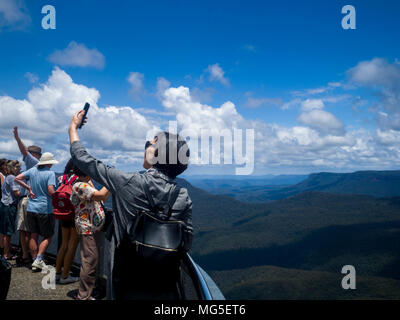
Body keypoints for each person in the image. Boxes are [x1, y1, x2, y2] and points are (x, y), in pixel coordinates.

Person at [69, 110, 193, 300]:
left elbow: (82, 157)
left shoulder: (128, 182)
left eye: (149, 145)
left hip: (127, 274)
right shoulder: (183, 195)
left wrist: (73, 128)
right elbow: (187, 240)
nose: (145, 148)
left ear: (157, 155)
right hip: (165, 279)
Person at [70, 164, 111, 300]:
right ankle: (83, 296)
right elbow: (100, 196)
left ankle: (89, 291)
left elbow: (102, 197)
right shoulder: (79, 185)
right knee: (89, 260)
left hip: (94, 227)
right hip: (87, 227)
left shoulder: (86, 183)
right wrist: (111, 179)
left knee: (93, 260)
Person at [15, 153, 58, 272]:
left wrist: (28, 188)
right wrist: (59, 196)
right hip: (45, 209)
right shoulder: (50, 173)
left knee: (33, 234)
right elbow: (50, 190)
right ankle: (39, 259)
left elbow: (17, 178)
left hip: (31, 208)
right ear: (49, 163)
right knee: (48, 235)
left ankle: (34, 260)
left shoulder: (33, 171)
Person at [13, 126, 42, 265]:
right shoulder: (39, 166)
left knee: (25, 231)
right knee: (31, 232)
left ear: (34, 155)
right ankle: (31, 257)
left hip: (26, 200)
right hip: (33, 201)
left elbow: (24, 151)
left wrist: (18, 138)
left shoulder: (33, 163)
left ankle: (26, 256)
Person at [55, 159, 80, 284]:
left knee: (64, 244)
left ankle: (58, 273)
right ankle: (65, 276)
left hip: (63, 214)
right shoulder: (79, 178)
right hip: (75, 214)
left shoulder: (62, 178)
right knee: (72, 245)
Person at [0, 161, 22, 260]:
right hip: (9, 205)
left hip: (4, 205)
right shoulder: (12, 178)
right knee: (8, 232)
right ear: (14, 168)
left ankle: (4, 252)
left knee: (4, 231)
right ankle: (6, 254)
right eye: (18, 167)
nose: (20, 169)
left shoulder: (7, 177)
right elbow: (16, 193)